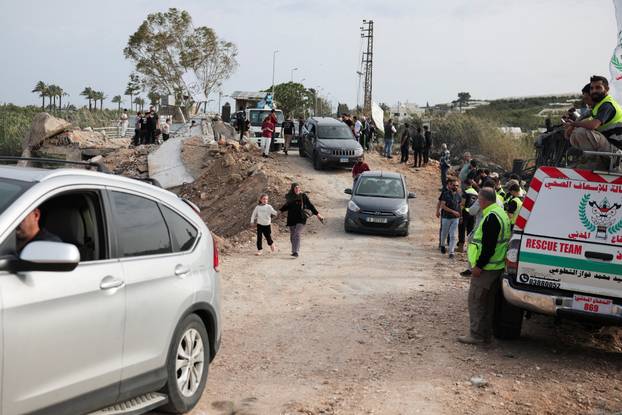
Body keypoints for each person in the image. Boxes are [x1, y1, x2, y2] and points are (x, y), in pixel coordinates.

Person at [458, 187, 511, 345]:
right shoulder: (500, 213)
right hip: (496, 266)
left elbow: (488, 247)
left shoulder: (491, 217)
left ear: (483, 200)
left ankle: (476, 335)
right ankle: (486, 335)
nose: (476, 202)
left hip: (486, 268)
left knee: (476, 301)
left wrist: (478, 266)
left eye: (478, 199)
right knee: (488, 303)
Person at [565, 75, 622, 169]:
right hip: (610, 146)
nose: (594, 91)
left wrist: (574, 123)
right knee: (576, 133)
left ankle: (593, 161)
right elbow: (568, 135)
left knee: (581, 131)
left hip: (616, 149)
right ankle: (593, 160)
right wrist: (573, 125)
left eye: (598, 88)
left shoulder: (607, 105)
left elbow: (593, 125)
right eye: (592, 88)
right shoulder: (597, 108)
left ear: (607, 89)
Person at [279, 183, 324, 257]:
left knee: (297, 233)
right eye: (295, 188)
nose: (297, 189)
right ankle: (294, 250)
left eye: (298, 188)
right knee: (292, 235)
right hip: (291, 218)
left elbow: (310, 205)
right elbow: (286, 206)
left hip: (301, 218)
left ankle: (295, 252)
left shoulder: (303, 196)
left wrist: (318, 214)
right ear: (292, 189)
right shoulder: (290, 197)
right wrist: (280, 211)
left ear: (300, 188)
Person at [437, 178, 462, 259]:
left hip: (455, 218)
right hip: (446, 217)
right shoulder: (445, 194)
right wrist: (453, 212)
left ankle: (451, 252)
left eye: (457, 185)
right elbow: (443, 206)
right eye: (454, 185)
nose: (456, 187)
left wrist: (460, 215)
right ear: (450, 185)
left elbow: (459, 206)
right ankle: (442, 245)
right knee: (444, 233)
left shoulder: (459, 195)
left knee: (453, 235)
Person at [457, 179, 478, 254]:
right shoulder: (476, 193)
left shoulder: (466, 192)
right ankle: (469, 248)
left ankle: (461, 247)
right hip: (473, 214)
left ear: (465, 184)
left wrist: (460, 213)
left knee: (462, 229)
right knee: (470, 230)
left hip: (465, 213)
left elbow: (462, 203)